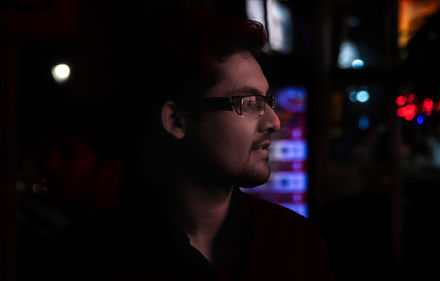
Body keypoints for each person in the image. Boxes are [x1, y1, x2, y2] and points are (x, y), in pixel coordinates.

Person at [51, 12, 334, 281]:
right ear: (177, 120)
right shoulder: (91, 261)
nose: (274, 121)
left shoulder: (296, 243)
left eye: (266, 100)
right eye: (249, 103)